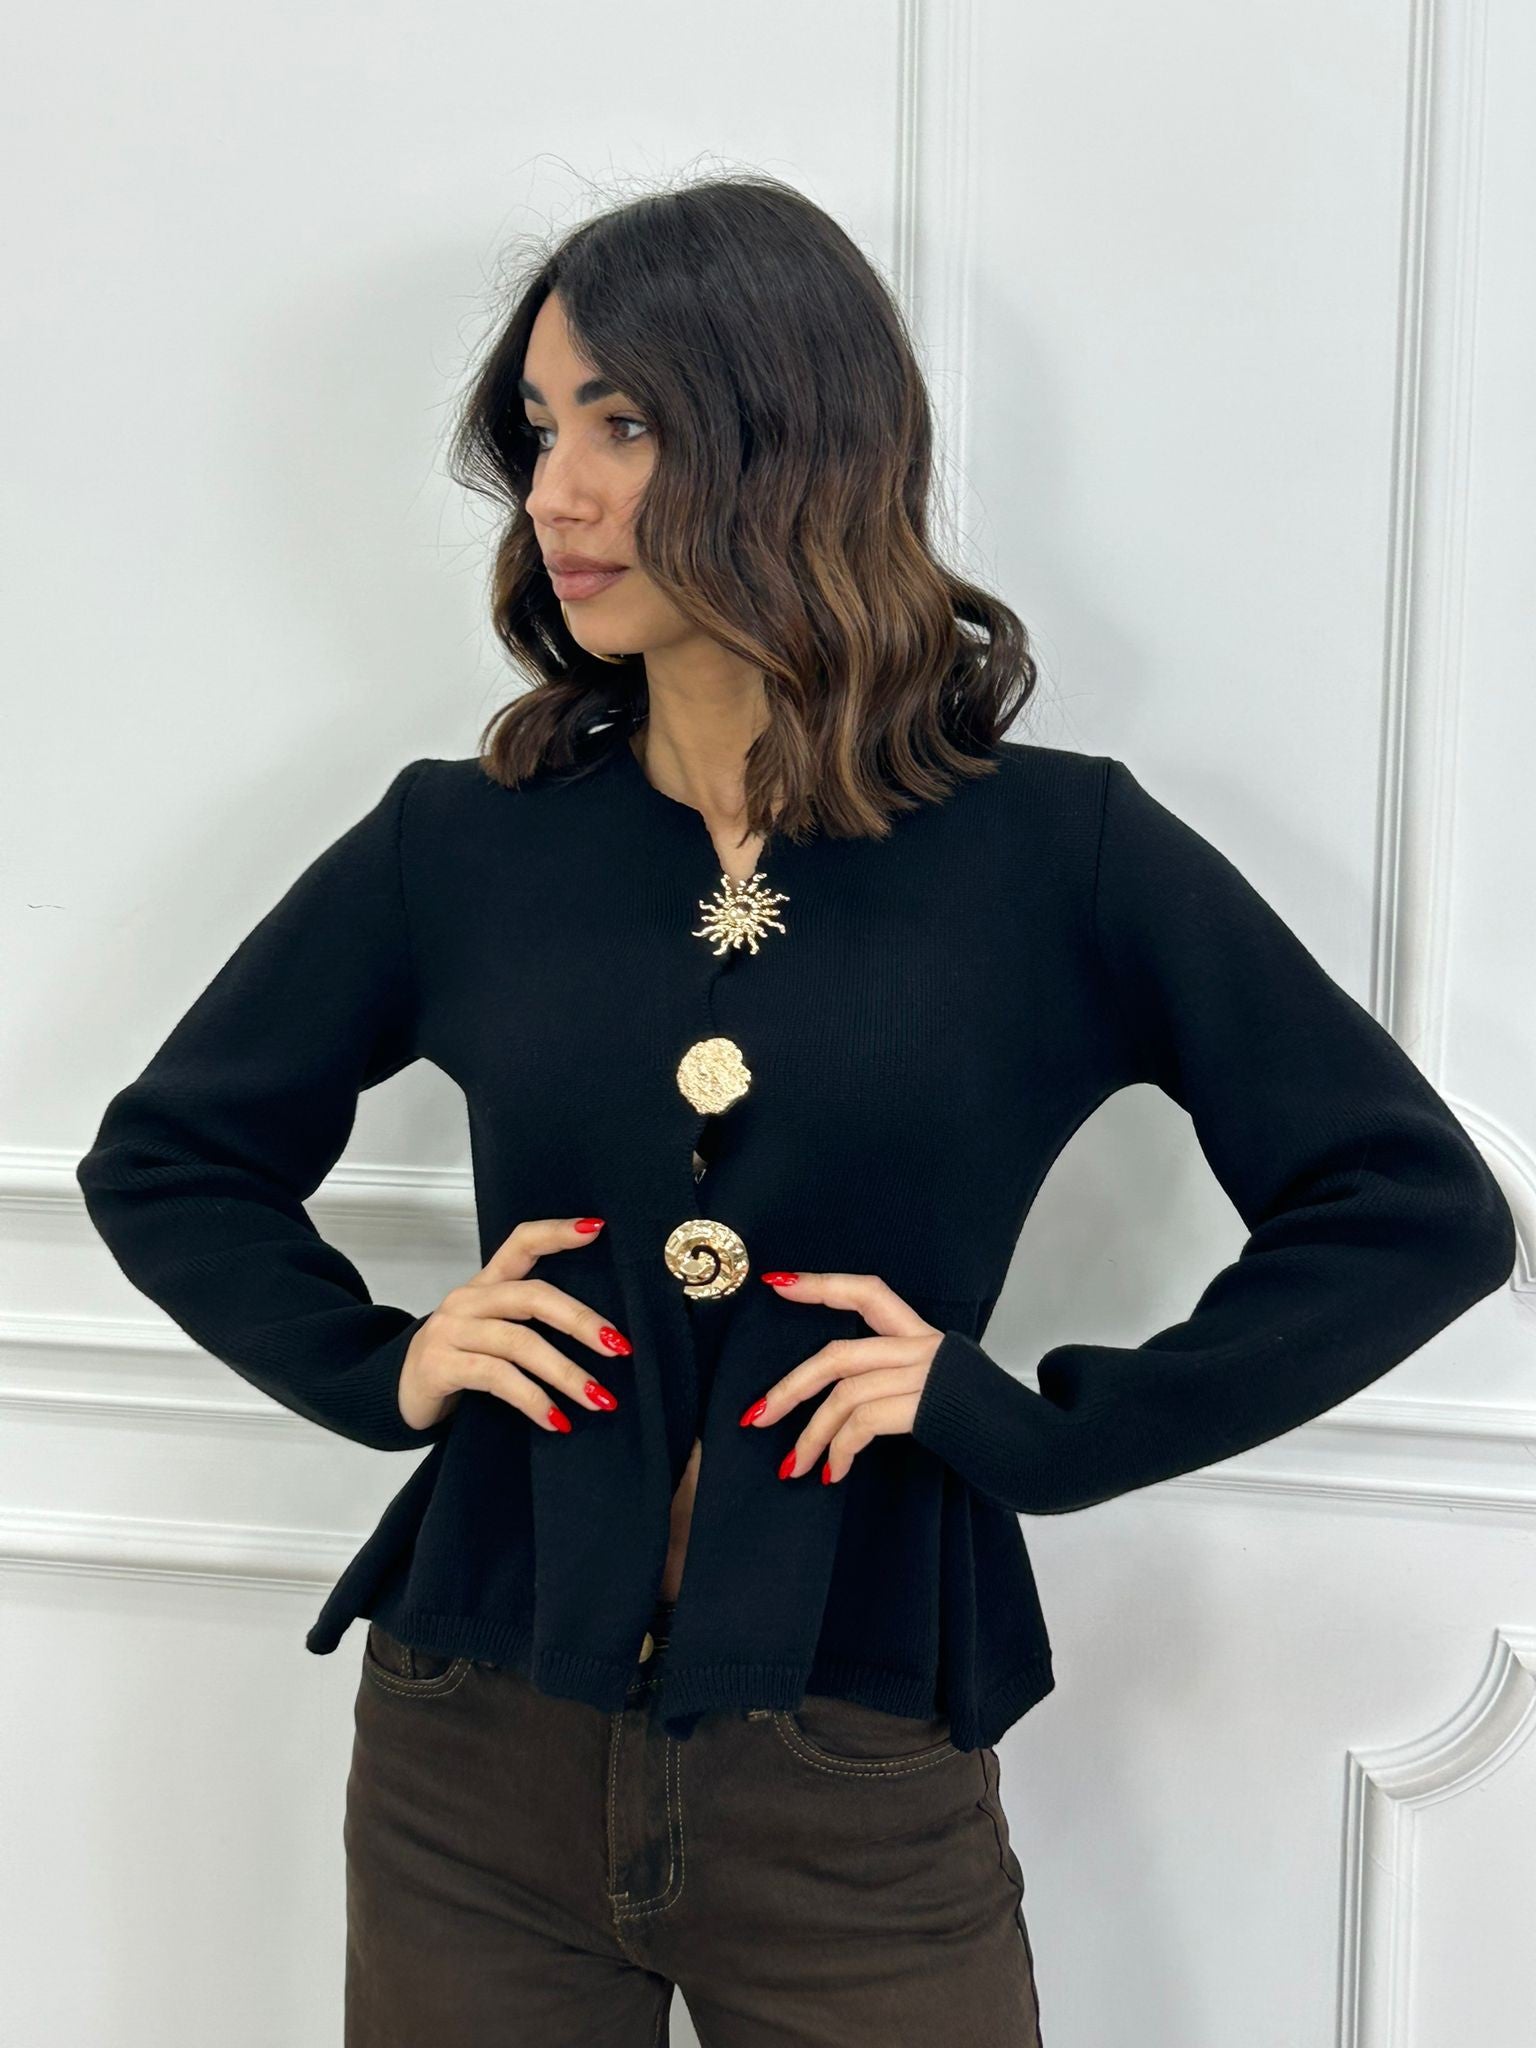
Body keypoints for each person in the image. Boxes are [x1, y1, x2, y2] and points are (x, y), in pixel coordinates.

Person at [75, 176, 1516, 2048]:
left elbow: (1412, 1209)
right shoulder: (464, 841)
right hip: (469, 1755)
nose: (556, 495)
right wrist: (386, 1363)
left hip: (857, 1772)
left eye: (625, 425)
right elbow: (172, 1159)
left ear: (794, 443)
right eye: (539, 431)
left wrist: (1037, 1427)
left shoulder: (1058, 853)